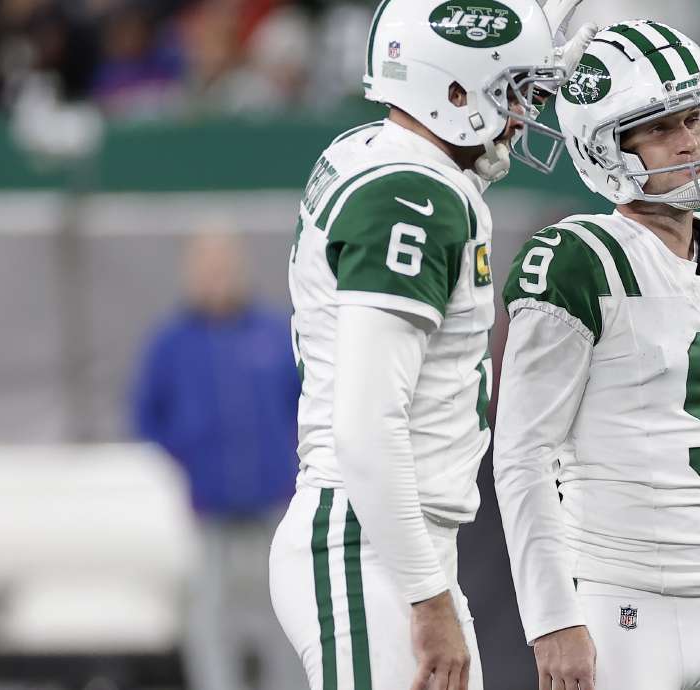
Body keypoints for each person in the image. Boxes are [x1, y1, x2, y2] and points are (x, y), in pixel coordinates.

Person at [494, 21, 700, 690]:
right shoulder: (577, 262)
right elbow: (522, 456)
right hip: (622, 609)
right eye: (659, 127)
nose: (691, 141)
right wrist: (551, 617)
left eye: (695, 118)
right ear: (604, 146)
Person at [266, 2, 596, 689]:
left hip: (397, 545)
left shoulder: (394, 158)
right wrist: (427, 595)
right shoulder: (413, 195)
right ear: (451, 91)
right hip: (369, 543)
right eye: (511, 91)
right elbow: (365, 424)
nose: (521, 115)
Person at [131, 230, 303, 690]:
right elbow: (146, 421)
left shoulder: (274, 334)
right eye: (206, 267)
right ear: (190, 273)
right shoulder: (170, 346)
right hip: (204, 513)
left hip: (275, 508)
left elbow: (306, 408)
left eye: (223, 265)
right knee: (209, 619)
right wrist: (185, 467)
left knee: (284, 614)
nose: (216, 276)